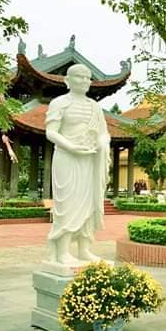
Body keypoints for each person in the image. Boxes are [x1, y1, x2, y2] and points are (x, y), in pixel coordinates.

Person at [45, 64, 110, 264]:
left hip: (89, 159)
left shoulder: (95, 107)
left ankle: (84, 249)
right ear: (67, 80)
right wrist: (71, 146)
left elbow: (103, 133)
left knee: (89, 203)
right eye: (79, 76)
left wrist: (102, 143)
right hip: (67, 158)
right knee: (67, 205)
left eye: (87, 77)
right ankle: (63, 252)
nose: (83, 80)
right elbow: (51, 132)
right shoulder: (59, 103)